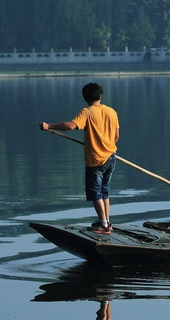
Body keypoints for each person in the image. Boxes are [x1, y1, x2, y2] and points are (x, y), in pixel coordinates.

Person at [39, 82, 119, 234]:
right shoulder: (112, 112)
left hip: (96, 159)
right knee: (105, 192)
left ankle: (103, 225)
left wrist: (49, 126)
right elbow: (116, 136)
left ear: (85, 98)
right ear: (100, 96)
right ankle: (107, 222)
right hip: (111, 157)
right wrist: (106, 146)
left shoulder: (87, 112)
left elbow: (70, 126)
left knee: (95, 193)